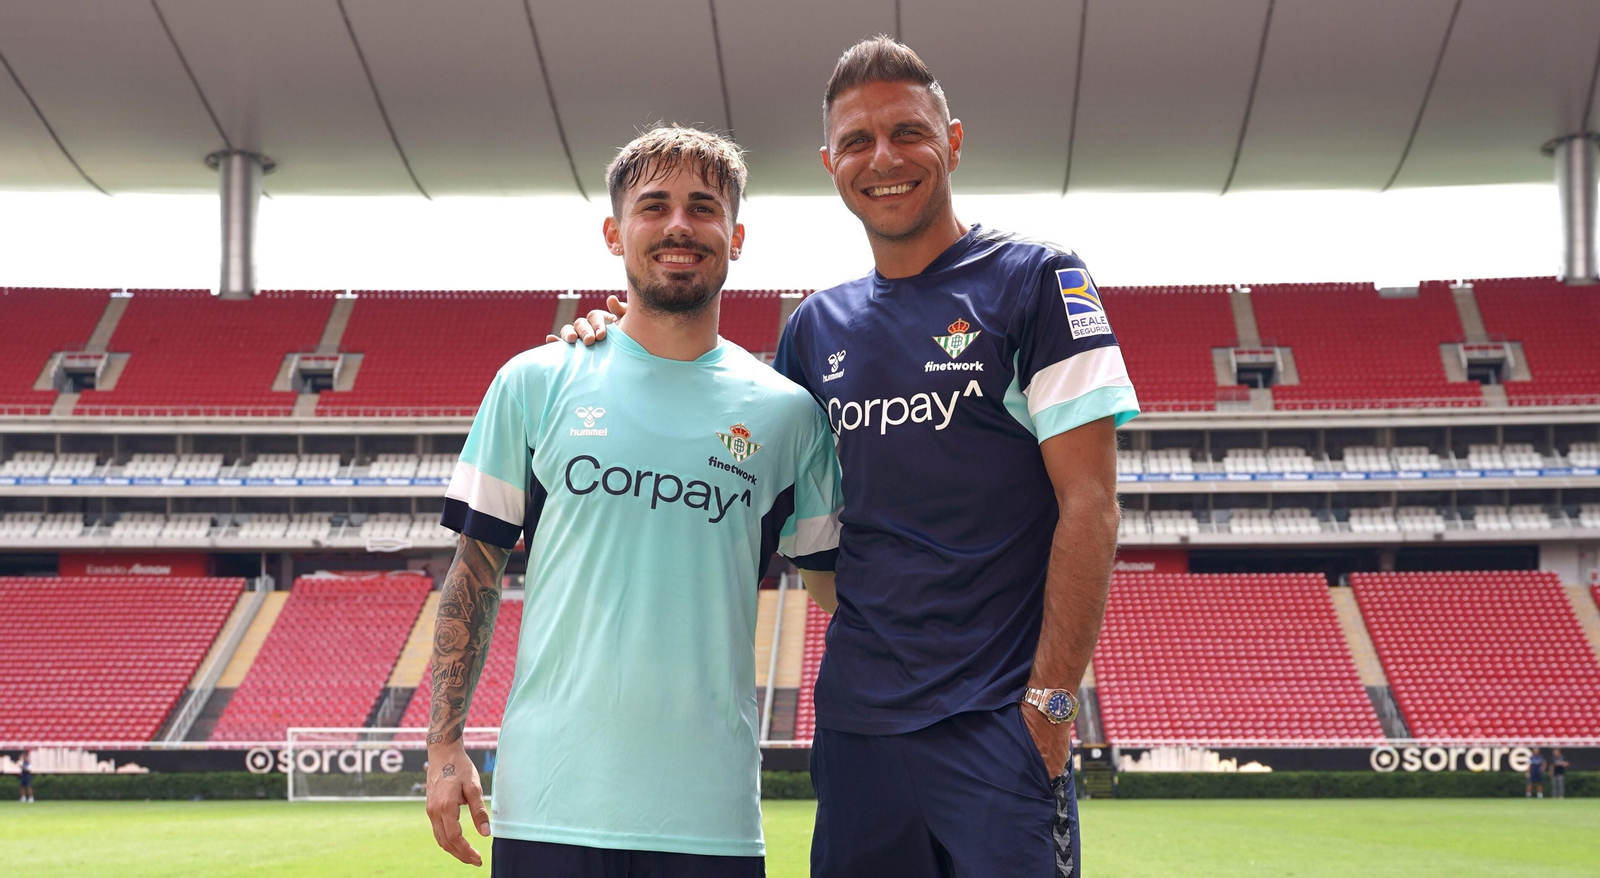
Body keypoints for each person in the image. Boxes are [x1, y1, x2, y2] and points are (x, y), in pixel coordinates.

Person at [556, 37, 1137, 878]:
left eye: (908, 132)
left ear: (954, 141)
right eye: (858, 142)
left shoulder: (1037, 281)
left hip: (998, 726)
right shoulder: (814, 330)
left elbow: (1092, 505)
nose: (884, 158)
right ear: (832, 162)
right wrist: (613, 342)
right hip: (861, 732)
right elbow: (722, 423)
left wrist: (1049, 705)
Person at [424, 125, 842, 877]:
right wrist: (443, 746)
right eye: (654, 206)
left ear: (736, 236)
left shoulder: (788, 415)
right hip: (549, 803)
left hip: (711, 816)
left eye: (702, 207)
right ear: (616, 231)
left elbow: (841, 593)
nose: (678, 225)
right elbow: (473, 573)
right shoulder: (535, 381)